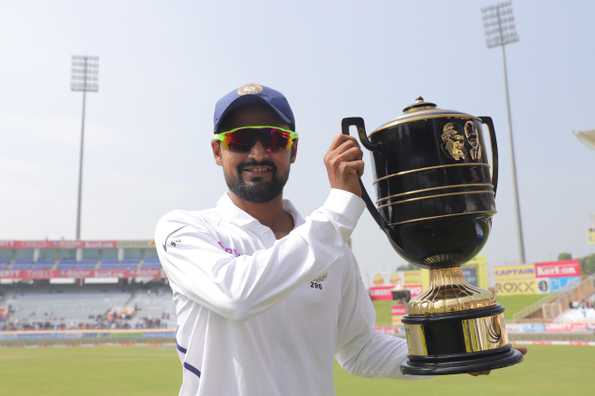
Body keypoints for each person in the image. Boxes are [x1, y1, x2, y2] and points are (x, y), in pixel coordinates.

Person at [154, 83, 513, 396]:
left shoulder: (330, 246)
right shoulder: (185, 230)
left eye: (275, 140)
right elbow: (234, 295)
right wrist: (340, 209)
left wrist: (451, 352)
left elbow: (358, 349)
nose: (259, 154)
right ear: (217, 152)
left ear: (293, 150)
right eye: (241, 141)